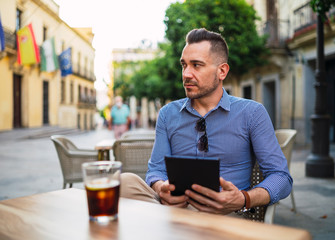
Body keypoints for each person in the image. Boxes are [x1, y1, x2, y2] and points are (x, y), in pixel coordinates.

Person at [120, 28, 292, 217]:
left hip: (223, 215)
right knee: (124, 182)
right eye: (184, 65)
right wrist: (161, 188)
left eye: (197, 65)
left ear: (222, 71)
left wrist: (244, 199)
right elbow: (156, 170)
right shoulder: (168, 114)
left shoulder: (251, 113)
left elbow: (281, 177)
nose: (186, 74)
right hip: (174, 211)